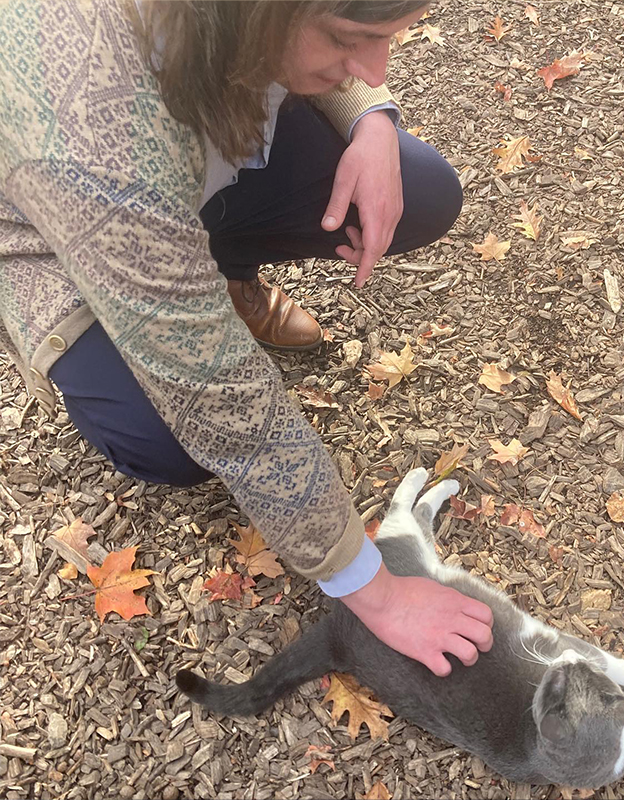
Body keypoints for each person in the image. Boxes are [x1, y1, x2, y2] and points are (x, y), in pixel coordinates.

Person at [0, 0, 494, 677]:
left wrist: (370, 117)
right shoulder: (85, 116)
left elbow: (323, 52)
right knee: (173, 437)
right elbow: (216, 390)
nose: (376, 66)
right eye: (351, 40)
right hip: (58, 243)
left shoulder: (234, 25)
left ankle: (218, 270)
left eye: (387, 38)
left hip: (192, 131)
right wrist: (372, 592)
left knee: (422, 188)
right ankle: (158, 303)